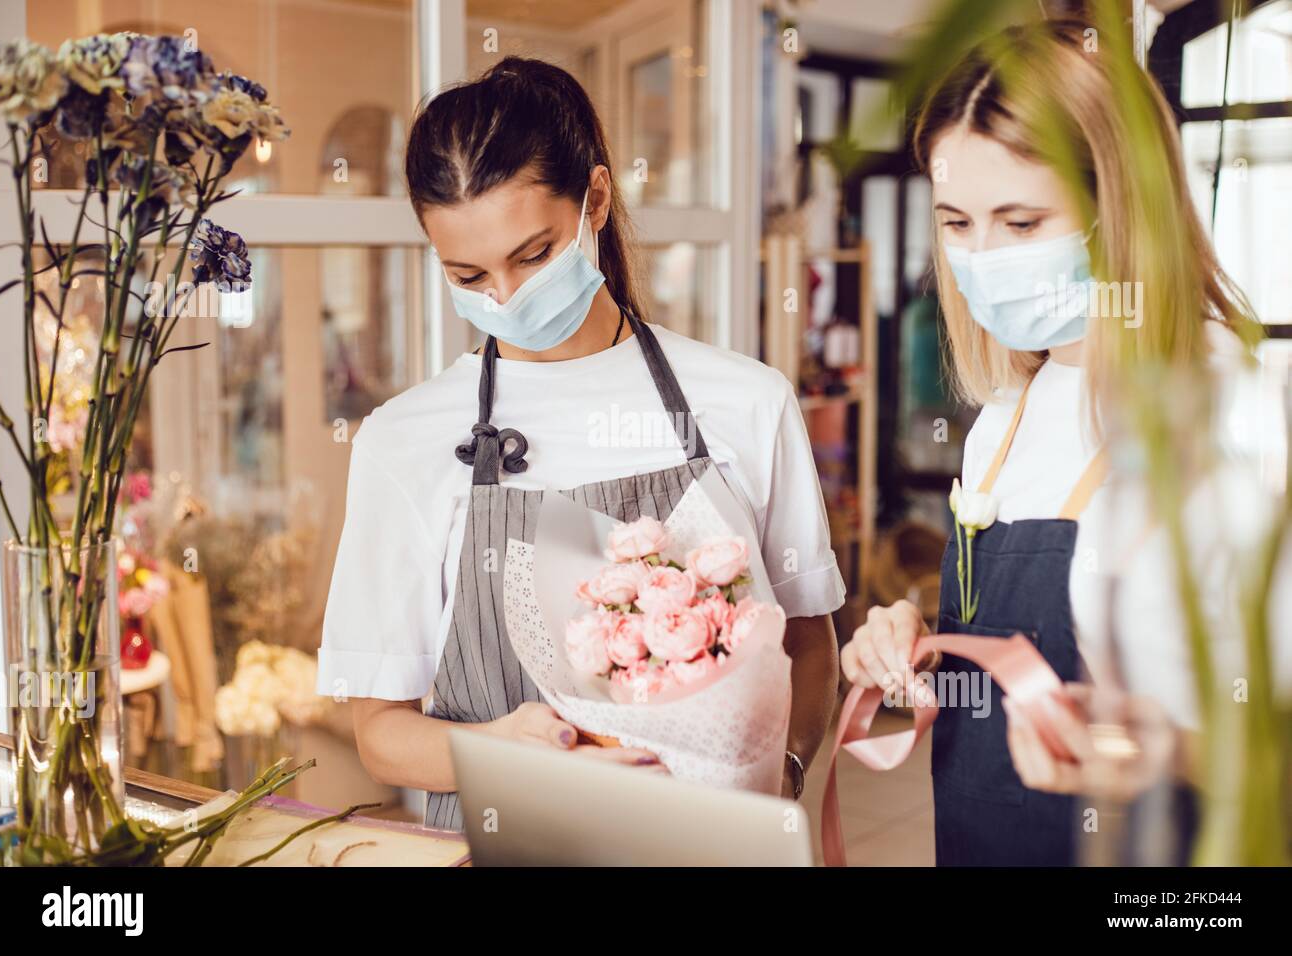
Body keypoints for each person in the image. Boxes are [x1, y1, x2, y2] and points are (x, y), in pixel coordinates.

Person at [317, 57, 845, 831]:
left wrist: (782, 777)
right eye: (469, 274)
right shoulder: (404, 441)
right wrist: (504, 756)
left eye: (532, 256)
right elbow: (382, 735)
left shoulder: (746, 401)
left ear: (595, 198)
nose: (506, 297)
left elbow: (808, 638)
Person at [840, 19, 1276, 865]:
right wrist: (922, 642)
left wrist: (1168, 753)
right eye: (958, 222)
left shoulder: (1228, 409)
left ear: (1122, 207)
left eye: (1022, 221)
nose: (982, 257)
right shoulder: (1007, 419)